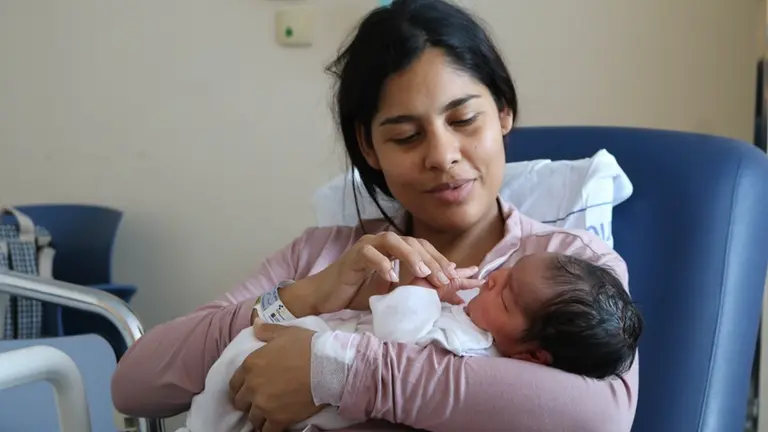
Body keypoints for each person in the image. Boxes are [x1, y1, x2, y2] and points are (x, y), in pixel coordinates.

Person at [111, 0, 639, 431]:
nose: (442, 156)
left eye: (463, 119)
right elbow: (134, 386)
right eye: (406, 136)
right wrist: (309, 296)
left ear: (503, 113)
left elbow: (601, 415)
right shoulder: (320, 254)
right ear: (369, 147)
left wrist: (337, 373)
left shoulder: (569, 264)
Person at [177, 252, 642, 432]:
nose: (493, 279)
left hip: (321, 392)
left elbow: (396, 333)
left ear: (533, 355)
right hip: (296, 371)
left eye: (507, 296)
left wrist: (420, 291)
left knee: (238, 369)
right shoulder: (482, 325)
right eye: (508, 271)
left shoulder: (472, 346)